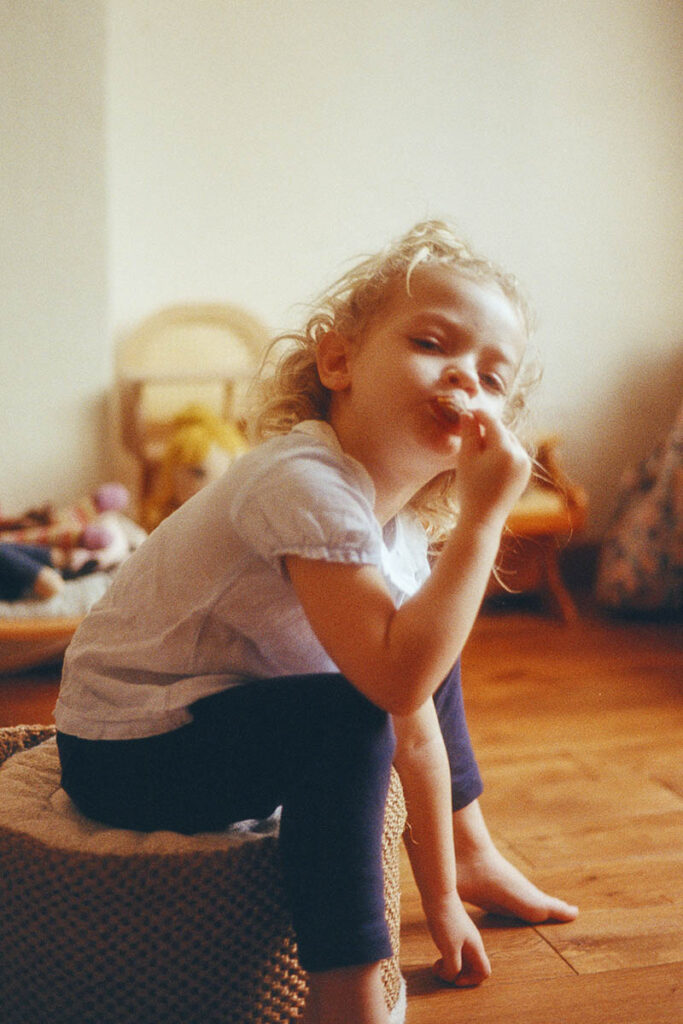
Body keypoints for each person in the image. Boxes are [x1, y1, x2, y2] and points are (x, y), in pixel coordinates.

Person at [55, 221, 577, 1024]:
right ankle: (346, 994)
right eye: (433, 342)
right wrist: (481, 524)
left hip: (225, 709)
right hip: (127, 747)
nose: (464, 379)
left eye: (491, 375)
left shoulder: (397, 533)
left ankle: (471, 857)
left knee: (428, 639)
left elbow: (414, 700)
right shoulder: (303, 479)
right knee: (362, 702)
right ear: (338, 363)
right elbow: (388, 687)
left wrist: (438, 897)